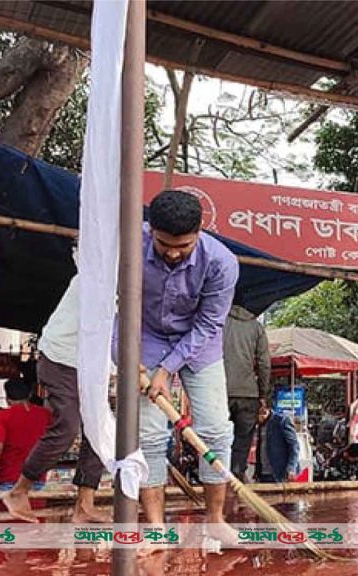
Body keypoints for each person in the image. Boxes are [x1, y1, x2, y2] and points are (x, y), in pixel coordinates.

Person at [134, 189, 238, 536]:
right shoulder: (129, 249)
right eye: (165, 244)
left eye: (185, 246)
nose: (174, 253)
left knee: (216, 430)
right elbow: (114, 308)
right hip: (144, 337)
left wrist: (167, 370)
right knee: (148, 435)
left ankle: (216, 521)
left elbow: (209, 324)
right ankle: (155, 527)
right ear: (151, 230)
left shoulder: (222, 263)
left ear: (199, 233)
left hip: (199, 343)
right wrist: (129, 359)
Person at [3, 272, 110, 524]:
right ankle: (19, 491)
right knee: (67, 427)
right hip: (61, 360)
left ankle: (85, 504)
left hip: (90, 366)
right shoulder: (96, 275)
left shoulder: (131, 282)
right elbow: (103, 328)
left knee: (99, 429)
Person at [222, 302, 272, 481]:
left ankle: (216, 477)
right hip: (248, 393)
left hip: (219, 390)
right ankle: (236, 476)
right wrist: (263, 395)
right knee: (242, 441)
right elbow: (265, 364)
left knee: (218, 437)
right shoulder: (256, 327)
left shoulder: (219, 321)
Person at [0, 380, 52, 492]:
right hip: (37, 477)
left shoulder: (3, 416)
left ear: (8, 399)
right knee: (35, 509)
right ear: (30, 395)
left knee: (9, 510)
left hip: (10, 478)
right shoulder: (46, 415)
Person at [253, 405, 300, 483]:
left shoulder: (282, 421)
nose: (260, 416)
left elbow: (294, 446)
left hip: (280, 474)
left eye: (263, 412)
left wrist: (291, 468)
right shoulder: (260, 425)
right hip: (264, 473)